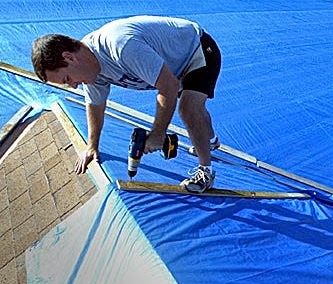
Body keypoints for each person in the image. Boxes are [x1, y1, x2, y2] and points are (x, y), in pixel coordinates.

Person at [31, 15, 221, 193]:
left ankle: (206, 171)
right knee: (195, 106)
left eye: (67, 78)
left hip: (197, 49)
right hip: (173, 64)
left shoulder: (121, 46)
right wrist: (92, 146)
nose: (73, 86)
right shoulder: (90, 71)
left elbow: (169, 86)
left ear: (69, 57)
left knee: (188, 108)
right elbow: (95, 105)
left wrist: (157, 134)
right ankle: (210, 140)